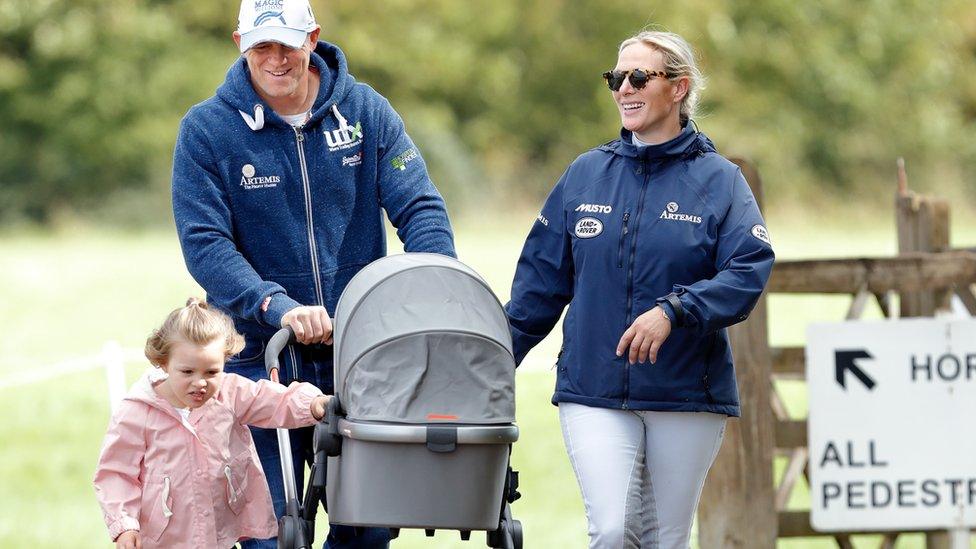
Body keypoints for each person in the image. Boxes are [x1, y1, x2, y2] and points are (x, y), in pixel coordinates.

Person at [170, 0, 455, 547]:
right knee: (270, 532)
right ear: (239, 45)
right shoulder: (206, 130)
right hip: (258, 362)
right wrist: (276, 306)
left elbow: (420, 208)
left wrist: (429, 286)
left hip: (362, 361)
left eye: (286, 44)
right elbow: (205, 245)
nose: (275, 59)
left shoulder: (367, 111)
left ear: (313, 38)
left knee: (369, 530)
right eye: (260, 47)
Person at [505, 30, 775, 548]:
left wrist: (675, 311)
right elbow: (536, 292)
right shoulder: (585, 175)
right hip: (594, 389)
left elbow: (748, 269)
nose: (623, 88)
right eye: (615, 78)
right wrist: (488, 359)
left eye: (638, 77)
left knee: (663, 540)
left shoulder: (721, 181)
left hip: (686, 392)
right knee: (612, 530)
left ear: (678, 88)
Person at [93, 299, 331, 549]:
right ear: (163, 363)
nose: (200, 383)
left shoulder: (228, 393)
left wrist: (312, 404)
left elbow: (271, 400)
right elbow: (116, 474)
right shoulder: (137, 411)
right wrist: (124, 526)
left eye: (211, 372)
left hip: (219, 534)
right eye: (187, 372)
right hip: (163, 539)